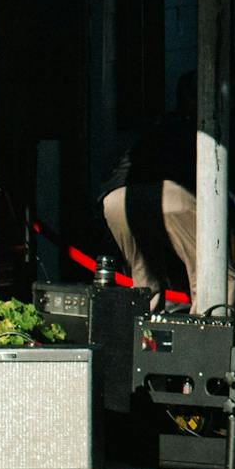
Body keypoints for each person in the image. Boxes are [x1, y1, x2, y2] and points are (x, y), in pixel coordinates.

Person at [99, 76, 197, 309]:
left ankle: (146, 316)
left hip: (116, 200)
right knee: (215, 277)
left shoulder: (159, 128)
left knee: (144, 280)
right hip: (168, 197)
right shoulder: (200, 131)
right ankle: (209, 322)